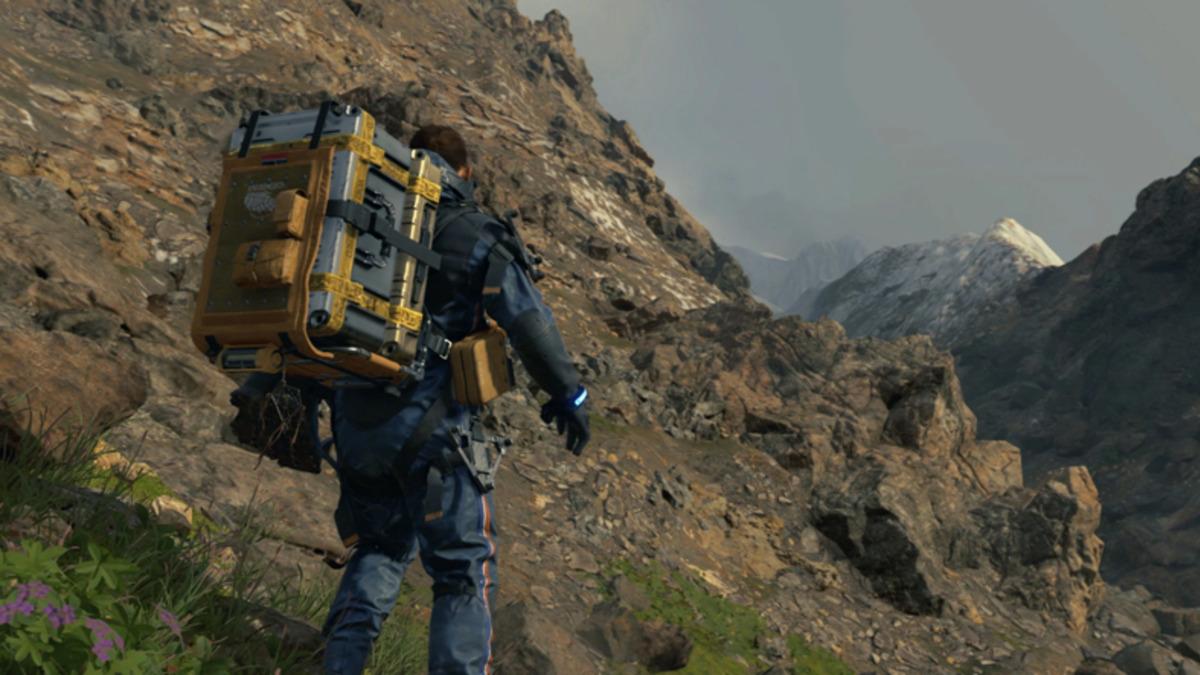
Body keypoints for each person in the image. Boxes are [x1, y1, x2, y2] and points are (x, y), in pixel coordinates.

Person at [313, 124, 589, 674]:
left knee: (379, 548)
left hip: (355, 419)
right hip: (432, 430)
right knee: (463, 571)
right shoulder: (475, 231)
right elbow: (529, 324)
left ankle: (338, 666)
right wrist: (569, 395)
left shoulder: (361, 215)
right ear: (464, 171)